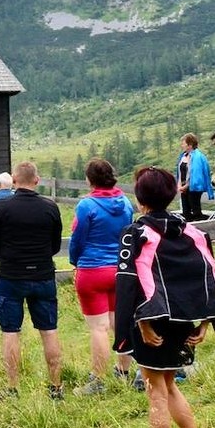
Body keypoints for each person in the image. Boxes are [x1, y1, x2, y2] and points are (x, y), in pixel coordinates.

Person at [115, 166, 215, 428]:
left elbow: (128, 283)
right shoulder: (193, 233)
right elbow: (208, 276)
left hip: (150, 323)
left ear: (139, 198)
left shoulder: (135, 233)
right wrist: (204, 322)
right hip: (184, 322)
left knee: (156, 391)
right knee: (169, 384)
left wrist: (139, 325)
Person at [0, 161, 63, 400]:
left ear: (14, 181)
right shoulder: (50, 208)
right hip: (42, 275)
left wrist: (8, 259)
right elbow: (55, 245)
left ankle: (12, 388)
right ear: (37, 180)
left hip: (11, 276)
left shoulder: (1, 208)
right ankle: (56, 387)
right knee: (49, 331)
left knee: (11, 332)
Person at [65, 158, 136, 395]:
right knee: (121, 323)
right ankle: (123, 372)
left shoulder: (87, 206)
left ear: (90, 180)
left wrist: (75, 261)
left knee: (99, 328)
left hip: (92, 270)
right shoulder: (125, 203)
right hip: (120, 269)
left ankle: (98, 378)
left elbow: (78, 239)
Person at [175, 133, 213, 222]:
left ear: (190, 145)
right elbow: (179, 172)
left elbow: (196, 175)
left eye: (184, 143)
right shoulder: (183, 156)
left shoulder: (197, 157)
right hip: (184, 188)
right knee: (186, 212)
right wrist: (179, 185)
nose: (182, 145)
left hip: (193, 188)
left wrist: (186, 186)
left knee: (196, 211)